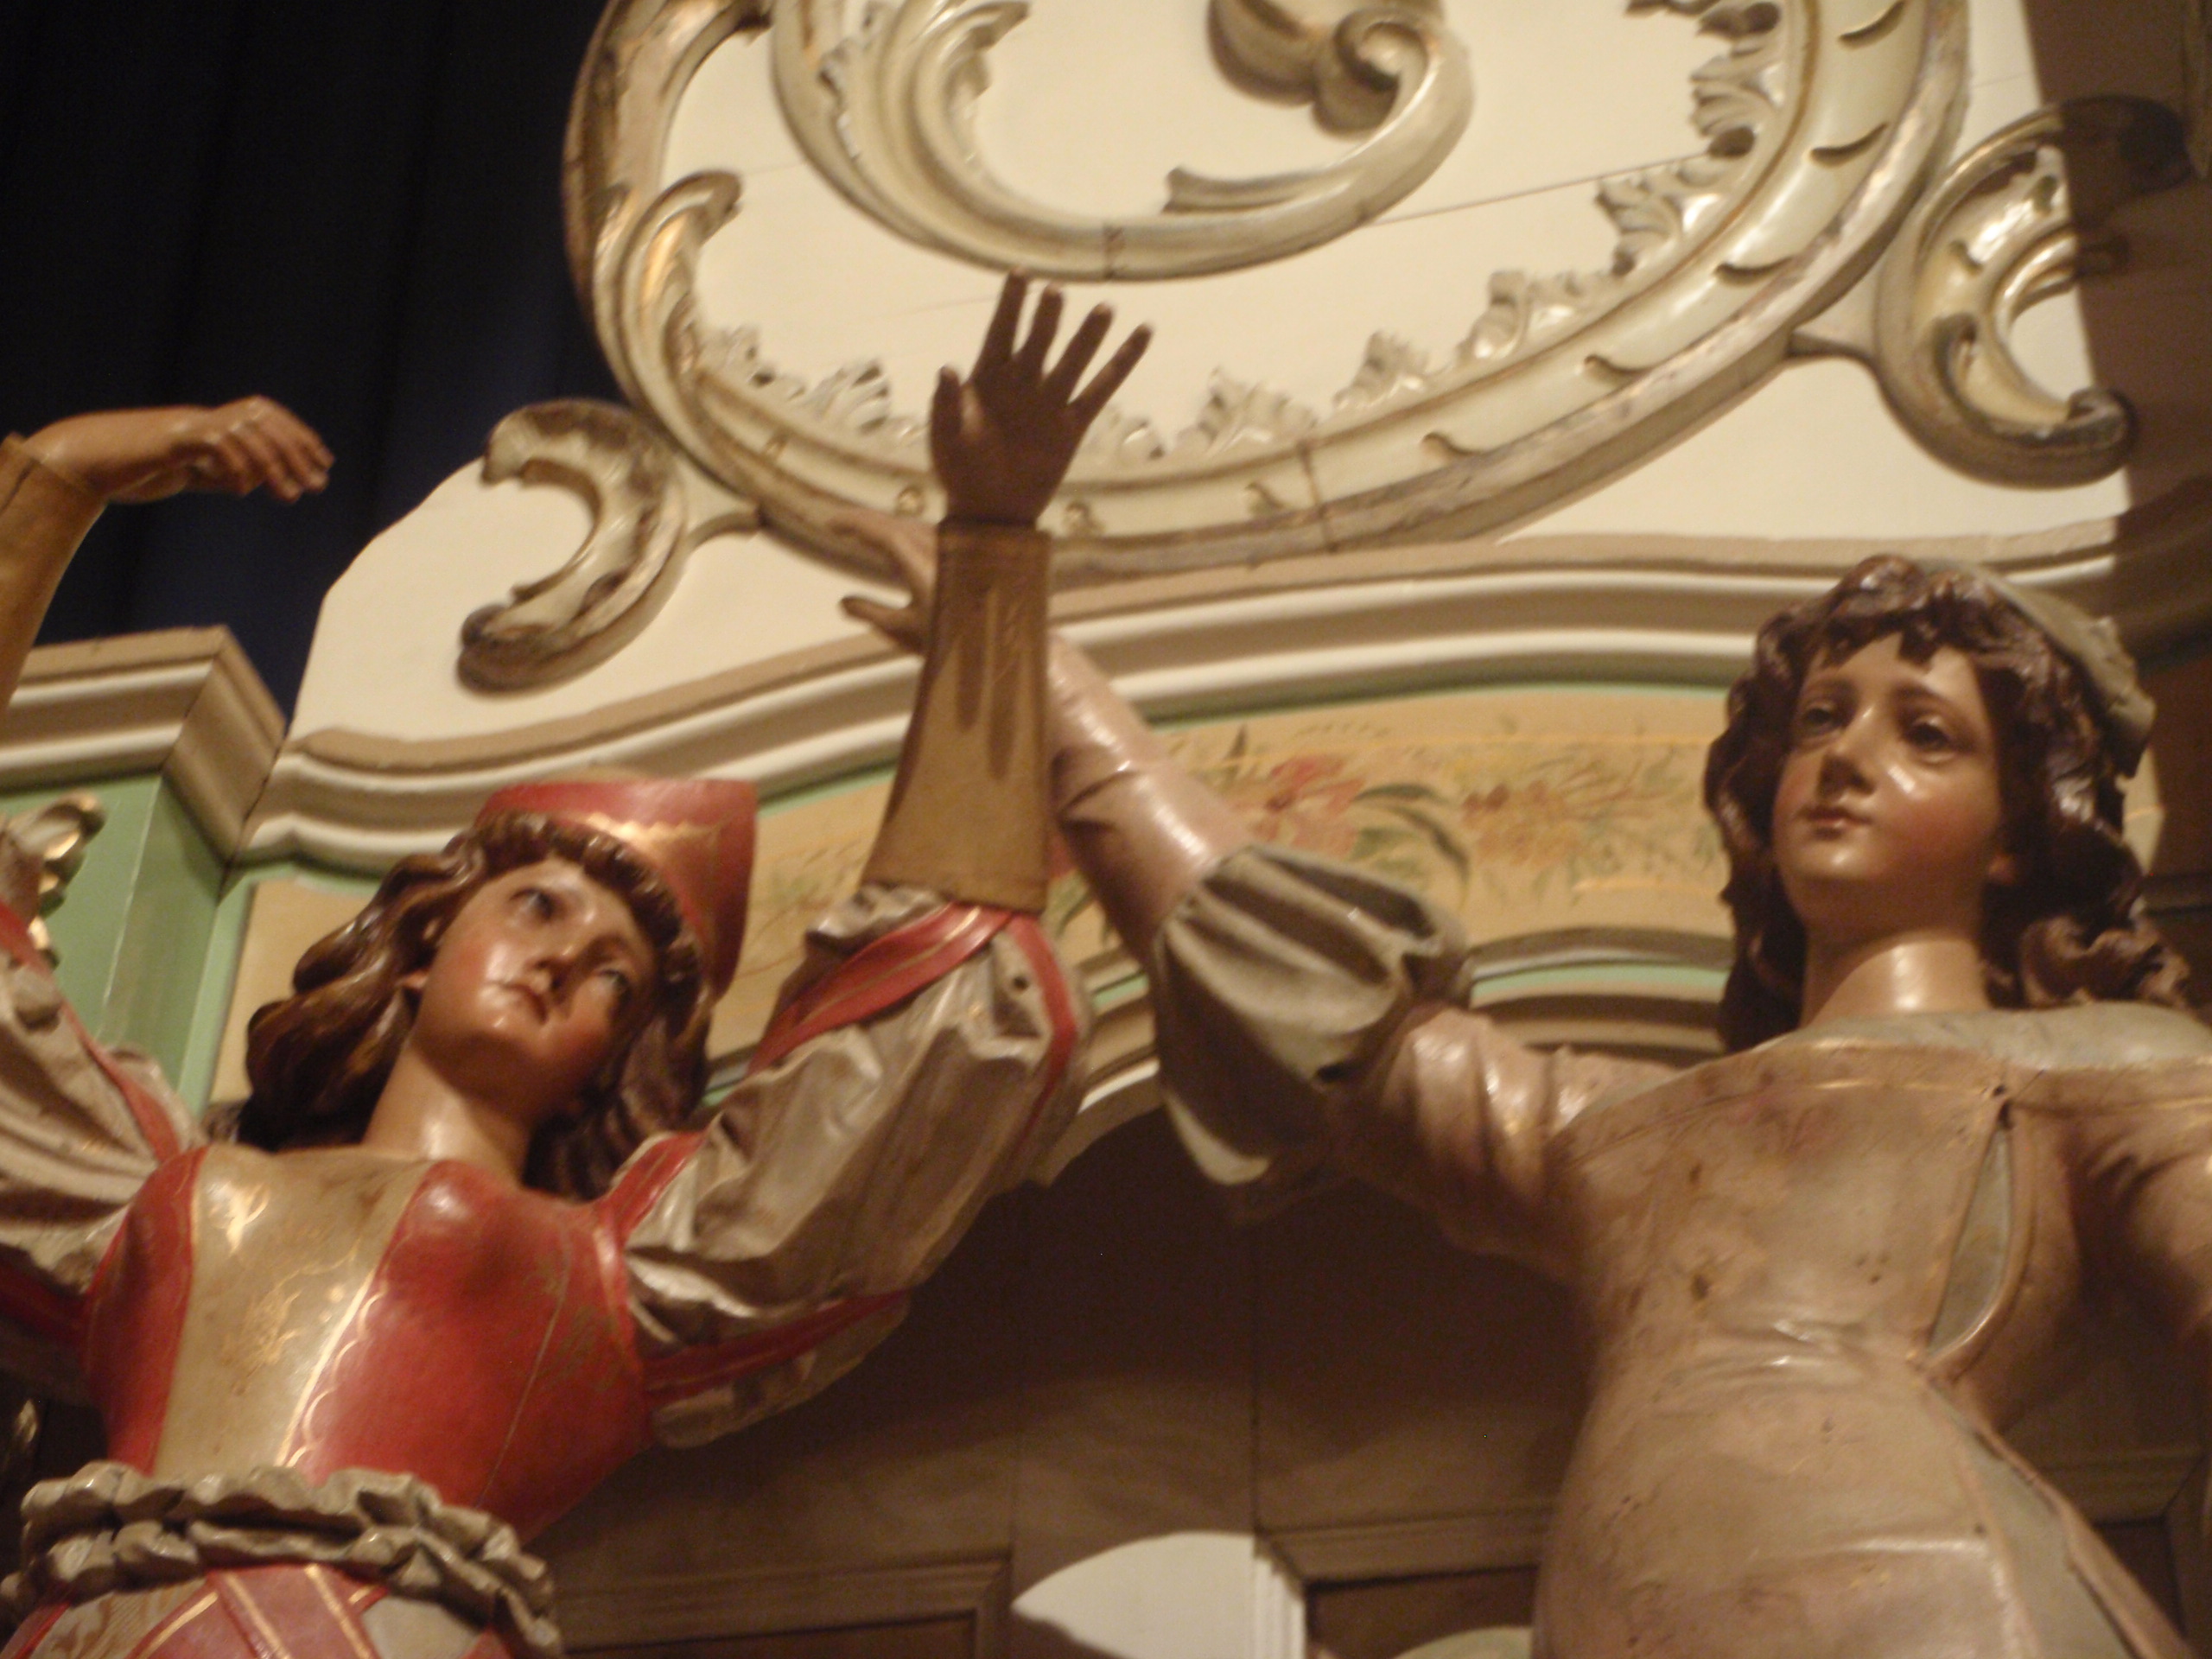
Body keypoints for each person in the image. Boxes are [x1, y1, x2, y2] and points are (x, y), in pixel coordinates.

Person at [847, 426, 2212, 1649]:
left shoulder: (2104, 1065)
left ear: (2022, 830)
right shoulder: (1619, 1132)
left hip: (1934, 1611)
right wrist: (1020, 647)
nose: (1847, 758)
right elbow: (1315, 1020)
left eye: (1927, 735)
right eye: (1820, 717)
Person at [0, 279, 1147, 1659]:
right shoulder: (143, 1198)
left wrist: (993, 556)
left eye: (613, 977)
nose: (561, 961)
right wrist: (50, 482)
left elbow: (931, 1006)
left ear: (614, 1055)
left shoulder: (613, 1277)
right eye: (537, 907)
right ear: (419, 950)